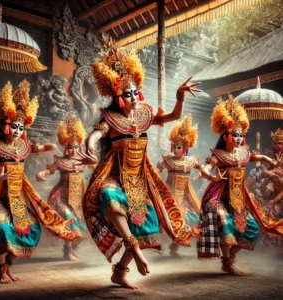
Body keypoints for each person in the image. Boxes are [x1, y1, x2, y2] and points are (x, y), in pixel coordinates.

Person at [78, 45, 201, 289]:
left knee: (147, 227)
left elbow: (173, 117)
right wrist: (91, 145)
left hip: (140, 180)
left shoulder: (145, 115)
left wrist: (180, 95)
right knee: (109, 196)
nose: (134, 97)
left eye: (136, 92)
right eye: (128, 94)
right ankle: (134, 250)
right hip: (114, 175)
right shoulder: (110, 119)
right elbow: (94, 135)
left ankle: (120, 271)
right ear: (117, 97)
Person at [0, 81, 76, 284]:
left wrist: (58, 150)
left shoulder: (24, 146)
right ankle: (0, 270)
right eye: (14, 126)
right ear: (5, 126)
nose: (17, 131)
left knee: (32, 228)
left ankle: (7, 266)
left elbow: (46, 146)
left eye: (21, 127)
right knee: (3, 226)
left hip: (17, 198)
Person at [195, 96, 283, 275]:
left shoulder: (243, 153)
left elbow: (255, 157)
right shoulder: (218, 155)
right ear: (226, 136)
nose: (239, 138)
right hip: (219, 199)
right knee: (225, 225)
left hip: (238, 202)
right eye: (235, 134)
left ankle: (228, 258)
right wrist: (210, 176)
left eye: (241, 135)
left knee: (252, 229)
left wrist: (269, 161)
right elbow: (205, 168)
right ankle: (227, 262)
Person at [37, 114, 96, 260]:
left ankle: (71, 249)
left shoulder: (83, 160)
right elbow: (49, 170)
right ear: (65, 147)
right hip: (61, 199)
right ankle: (68, 252)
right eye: (70, 147)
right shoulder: (60, 161)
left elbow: (96, 166)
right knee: (70, 224)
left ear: (80, 146)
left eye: (76, 147)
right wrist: (41, 173)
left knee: (84, 232)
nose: (74, 150)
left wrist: (92, 158)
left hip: (79, 200)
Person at [157, 114, 201, 257]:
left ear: (185, 148)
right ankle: (161, 244)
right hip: (169, 193)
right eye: (174, 146)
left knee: (185, 218)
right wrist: (156, 171)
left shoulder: (191, 161)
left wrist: (203, 173)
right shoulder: (168, 160)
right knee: (168, 217)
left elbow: (201, 168)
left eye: (179, 147)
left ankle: (174, 248)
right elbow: (158, 170)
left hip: (185, 194)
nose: (176, 149)